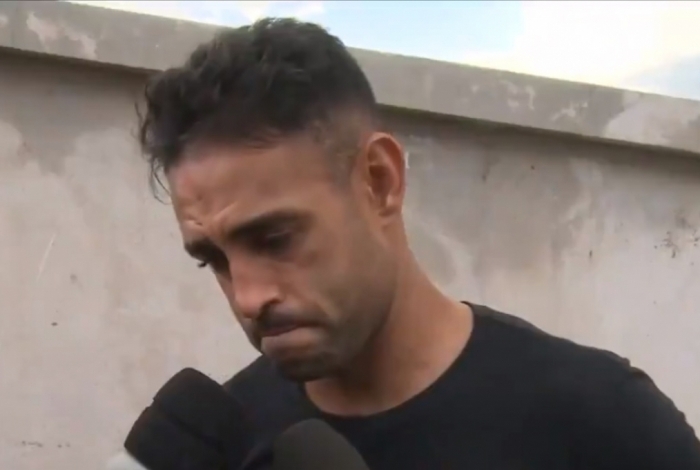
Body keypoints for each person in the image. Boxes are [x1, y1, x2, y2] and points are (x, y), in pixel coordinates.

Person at [137, 17, 700, 470]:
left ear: (379, 180)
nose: (247, 297)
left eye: (275, 238)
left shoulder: (602, 422)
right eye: (214, 260)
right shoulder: (225, 448)